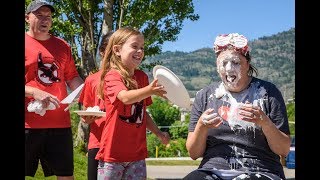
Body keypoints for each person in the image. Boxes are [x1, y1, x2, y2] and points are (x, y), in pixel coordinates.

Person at [183, 33, 291, 180]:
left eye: (235, 62)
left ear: (247, 64)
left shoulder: (268, 93)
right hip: (212, 170)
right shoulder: (204, 95)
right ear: (217, 66)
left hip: (262, 170)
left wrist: (264, 122)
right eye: (223, 62)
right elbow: (193, 154)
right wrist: (202, 126)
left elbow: (283, 150)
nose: (229, 69)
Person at [95, 27, 170, 180]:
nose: (140, 51)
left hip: (137, 154)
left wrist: (158, 133)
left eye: (142, 48)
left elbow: (142, 113)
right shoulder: (112, 76)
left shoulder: (142, 77)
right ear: (117, 50)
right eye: (134, 46)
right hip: (112, 154)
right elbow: (125, 97)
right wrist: (149, 90)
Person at [25, 0, 84, 179]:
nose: (45, 20)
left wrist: (82, 91)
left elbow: (72, 77)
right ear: (27, 18)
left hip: (60, 124)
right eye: (39, 15)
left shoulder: (62, 45)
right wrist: (33, 92)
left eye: (48, 16)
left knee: (66, 175)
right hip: (27, 125)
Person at [77, 31, 113, 180]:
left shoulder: (133, 78)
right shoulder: (92, 80)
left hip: (123, 146)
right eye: (111, 49)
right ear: (102, 52)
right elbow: (88, 113)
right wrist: (87, 118)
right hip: (98, 144)